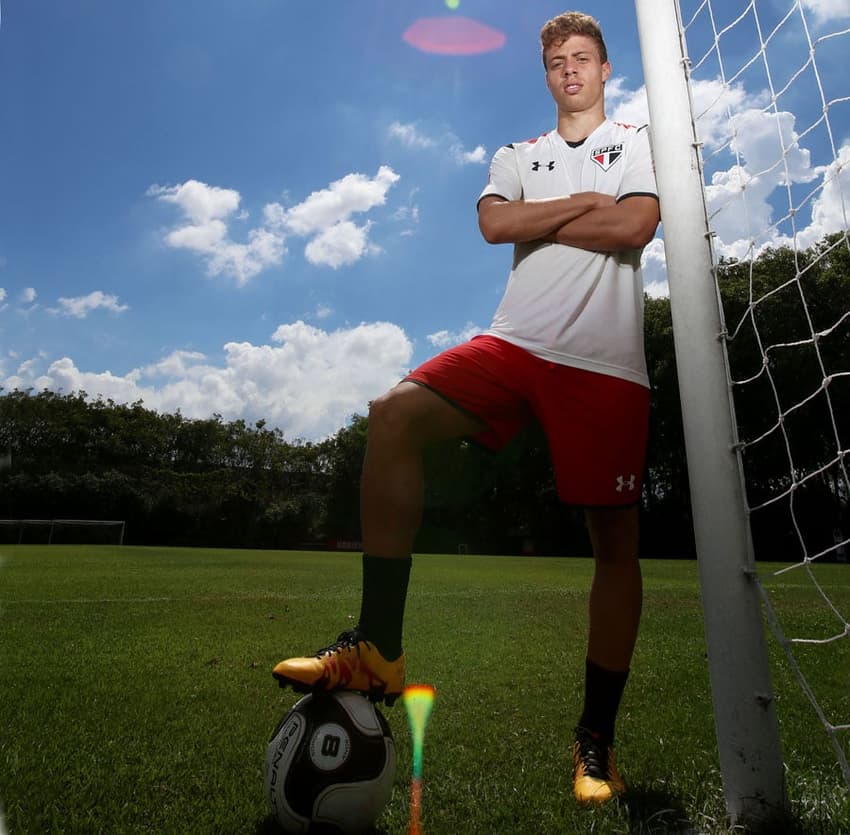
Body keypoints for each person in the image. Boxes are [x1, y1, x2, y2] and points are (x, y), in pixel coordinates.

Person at [274, 11, 660, 806]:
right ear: (545, 73)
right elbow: (494, 222)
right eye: (557, 61)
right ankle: (379, 645)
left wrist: (557, 213)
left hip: (605, 363)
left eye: (583, 57)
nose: (570, 71)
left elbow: (638, 223)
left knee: (614, 543)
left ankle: (596, 741)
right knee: (393, 413)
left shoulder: (640, 139)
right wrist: (584, 201)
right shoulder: (516, 154)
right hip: (514, 341)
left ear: (605, 66)